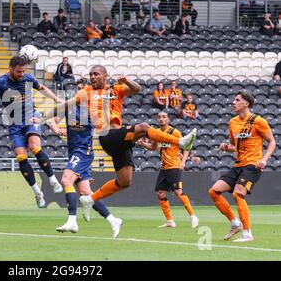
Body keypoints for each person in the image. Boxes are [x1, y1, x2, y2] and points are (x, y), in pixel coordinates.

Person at [35, 66, 197, 222]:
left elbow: (137, 89)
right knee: (144, 127)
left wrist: (126, 81)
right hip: (107, 135)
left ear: (105, 76)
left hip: (120, 139)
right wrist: (42, 119)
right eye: (90, 74)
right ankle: (180, 141)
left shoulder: (116, 89)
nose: (92, 77)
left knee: (125, 182)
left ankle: (91, 199)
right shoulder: (86, 92)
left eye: (96, 74)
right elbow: (63, 106)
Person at [0, 56, 64, 207]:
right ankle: (37, 193)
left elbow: (42, 88)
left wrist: (56, 99)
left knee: (34, 147)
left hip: (31, 117)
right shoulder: (0, 82)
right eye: (19, 71)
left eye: (23, 71)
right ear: (11, 69)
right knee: (21, 156)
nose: (21, 74)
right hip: (14, 124)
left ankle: (53, 180)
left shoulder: (28, 78)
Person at [45, 106, 123, 238]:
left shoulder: (92, 110)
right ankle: (113, 220)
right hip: (75, 152)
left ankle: (72, 220)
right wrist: (57, 130)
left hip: (83, 152)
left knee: (66, 180)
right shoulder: (69, 107)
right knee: (86, 193)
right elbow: (52, 121)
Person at [209, 91, 276, 242]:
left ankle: (247, 234)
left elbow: (272, 142)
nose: (233, 102)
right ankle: (235, 223)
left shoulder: (258, 121)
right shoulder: (232, 122)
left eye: (237, 100)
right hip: (238, 165)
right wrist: (227, 147)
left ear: (246, 104)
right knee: (214, 191)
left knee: (238, 194)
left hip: (253, 165)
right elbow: (235, 146)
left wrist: (264, 160)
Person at [137, 111, 199, 229]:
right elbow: (154, 147)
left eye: (164, 117)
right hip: (164, 168)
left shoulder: (174, 132)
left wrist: (183, 162)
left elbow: (186, 146)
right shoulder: (156, 133)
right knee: (161, 194)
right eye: (159, 117)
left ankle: (193, 216)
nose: (161, 119)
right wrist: (143, 144)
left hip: (174, 166)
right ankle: (170, 221)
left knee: (178, 192)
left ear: (168, 119)